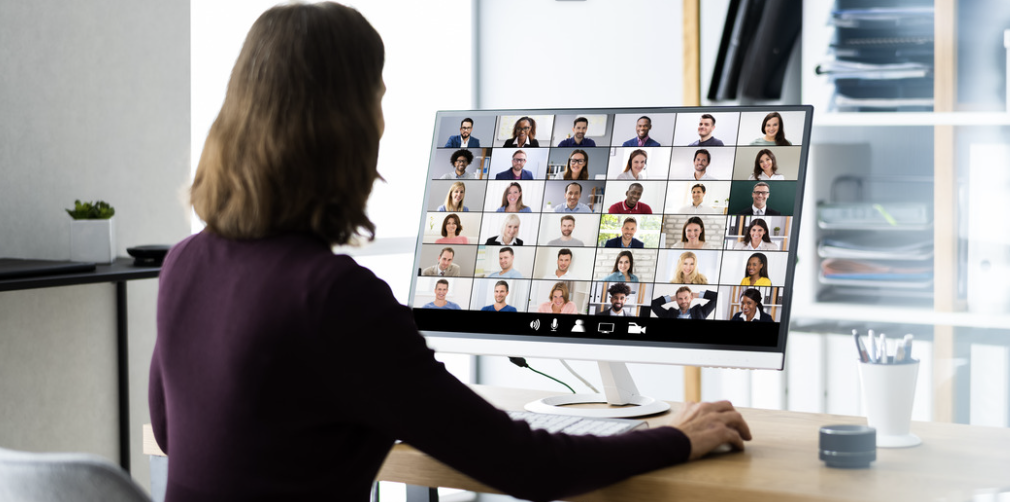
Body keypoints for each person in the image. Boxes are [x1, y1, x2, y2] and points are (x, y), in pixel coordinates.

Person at [153, 4, 751, 500]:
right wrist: (678, 435)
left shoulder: (183, 263)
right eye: (377, 98)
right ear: (346, 125)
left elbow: (172, 429)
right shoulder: (333, 298)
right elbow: (525, 467)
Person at [651, 287, 718, 319]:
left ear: (691, 298)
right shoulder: (669, 314)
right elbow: (654, 304)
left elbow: (717, 297)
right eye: (680, 298)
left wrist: (696, 295)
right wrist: (673, 298)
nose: (683, 301)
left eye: (686, 298)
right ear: (677, 300)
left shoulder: (700, 312)